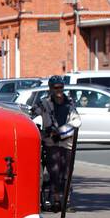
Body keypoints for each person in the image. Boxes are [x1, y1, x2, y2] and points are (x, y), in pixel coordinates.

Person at [32, 75, 78, 211]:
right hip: (51, 142)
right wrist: (41, 131)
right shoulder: (44, 103)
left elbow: (76, 120)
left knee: (66, 173)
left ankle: (65, 202)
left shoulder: (69, 102)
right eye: (55, 88)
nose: (59, 90)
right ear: (50, 89)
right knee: (54, 172)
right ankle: (55, 201)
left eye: (61, 87)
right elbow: (32, 114)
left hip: (66, 142)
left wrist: (62, 131)